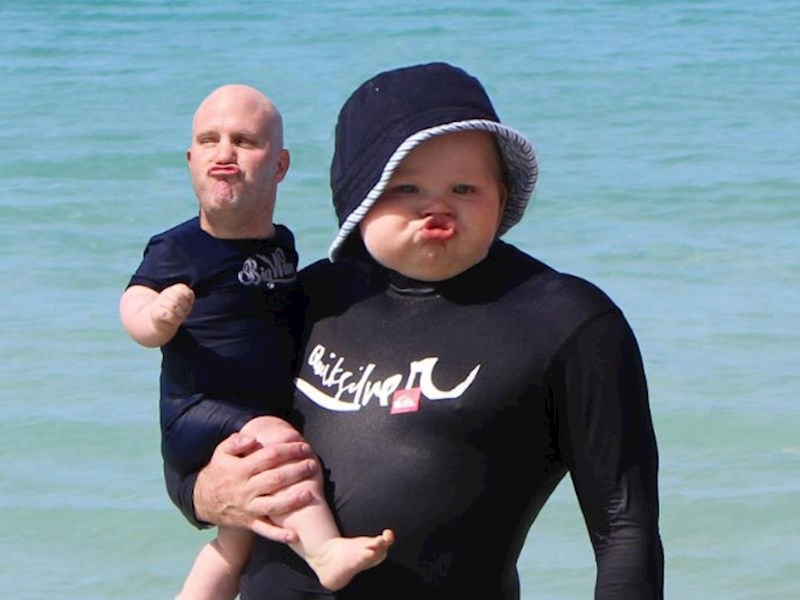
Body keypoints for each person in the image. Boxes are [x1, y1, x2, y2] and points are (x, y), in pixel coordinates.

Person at [166, 63, 664, 599]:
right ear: (359, 197)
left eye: (465, 187)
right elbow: (193, 434)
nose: (437, 207)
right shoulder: (302, 300)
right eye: (405, 187)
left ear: (502, 195)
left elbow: (624, 529)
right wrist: (205, 494)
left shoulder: (565, 322)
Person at [120, 84, 393, 600]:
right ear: (191, 160)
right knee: (276, 442)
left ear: (280, 166)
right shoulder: (178, 248)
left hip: (248, 408)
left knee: (236, 540)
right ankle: (324, 552)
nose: (224, 152)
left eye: (244, 141)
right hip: (200, 408)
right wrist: (155, 319)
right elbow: (134, 303)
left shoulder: (280, 245)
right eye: (209, 140)